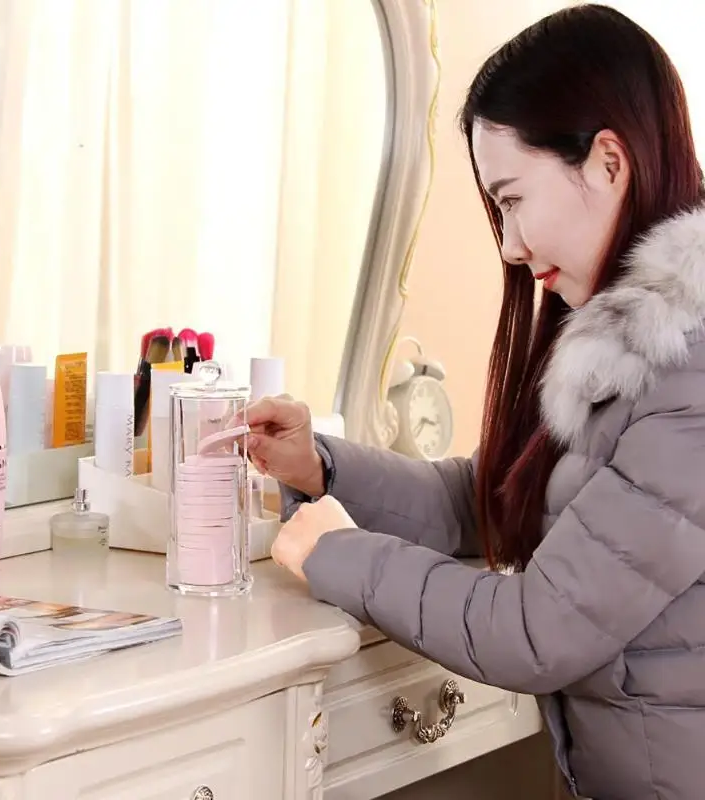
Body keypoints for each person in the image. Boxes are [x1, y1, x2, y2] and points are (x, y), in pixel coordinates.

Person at [244, 5, 705, 800]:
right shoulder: (625, 351)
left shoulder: (688, 380)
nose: (510, 245)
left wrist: (337, 553)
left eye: (513, 199)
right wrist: (320, 469)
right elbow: (493, 499)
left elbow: (535, 630)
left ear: (608, 162)